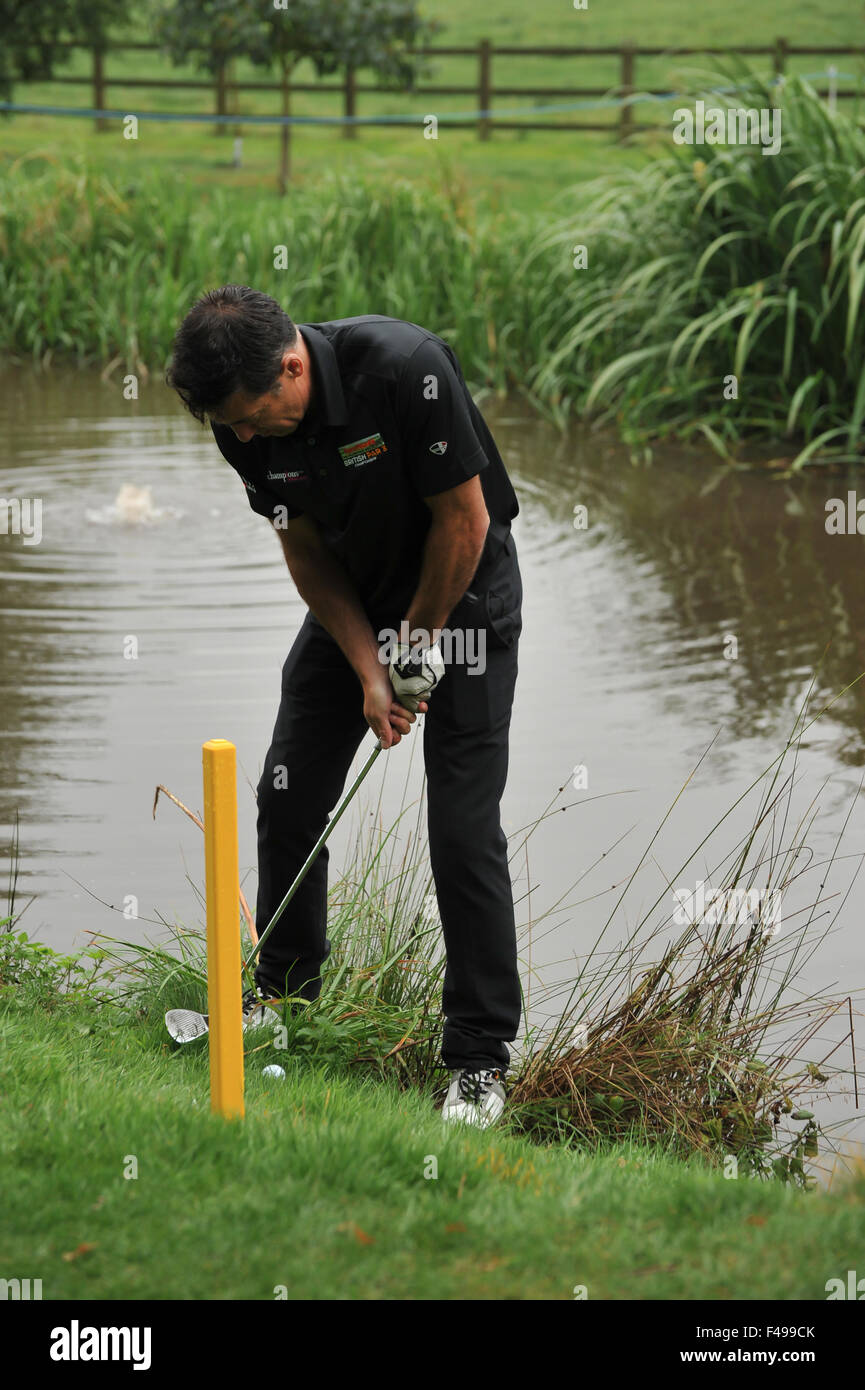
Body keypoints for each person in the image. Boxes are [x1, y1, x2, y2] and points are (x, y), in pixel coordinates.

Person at [166, 285, 523, 1128]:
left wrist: (412, 649)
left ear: (292, 366)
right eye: (232, 427)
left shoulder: (404, 371)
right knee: (285, 794)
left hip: (461, 603)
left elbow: (463, 521)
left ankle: (477, 1061)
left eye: (254, 418)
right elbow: (303, 545)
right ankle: (283, 999)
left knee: (461, 829)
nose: (243, 437)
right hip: (352, 603)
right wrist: (369, 665)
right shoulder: (240, 420)